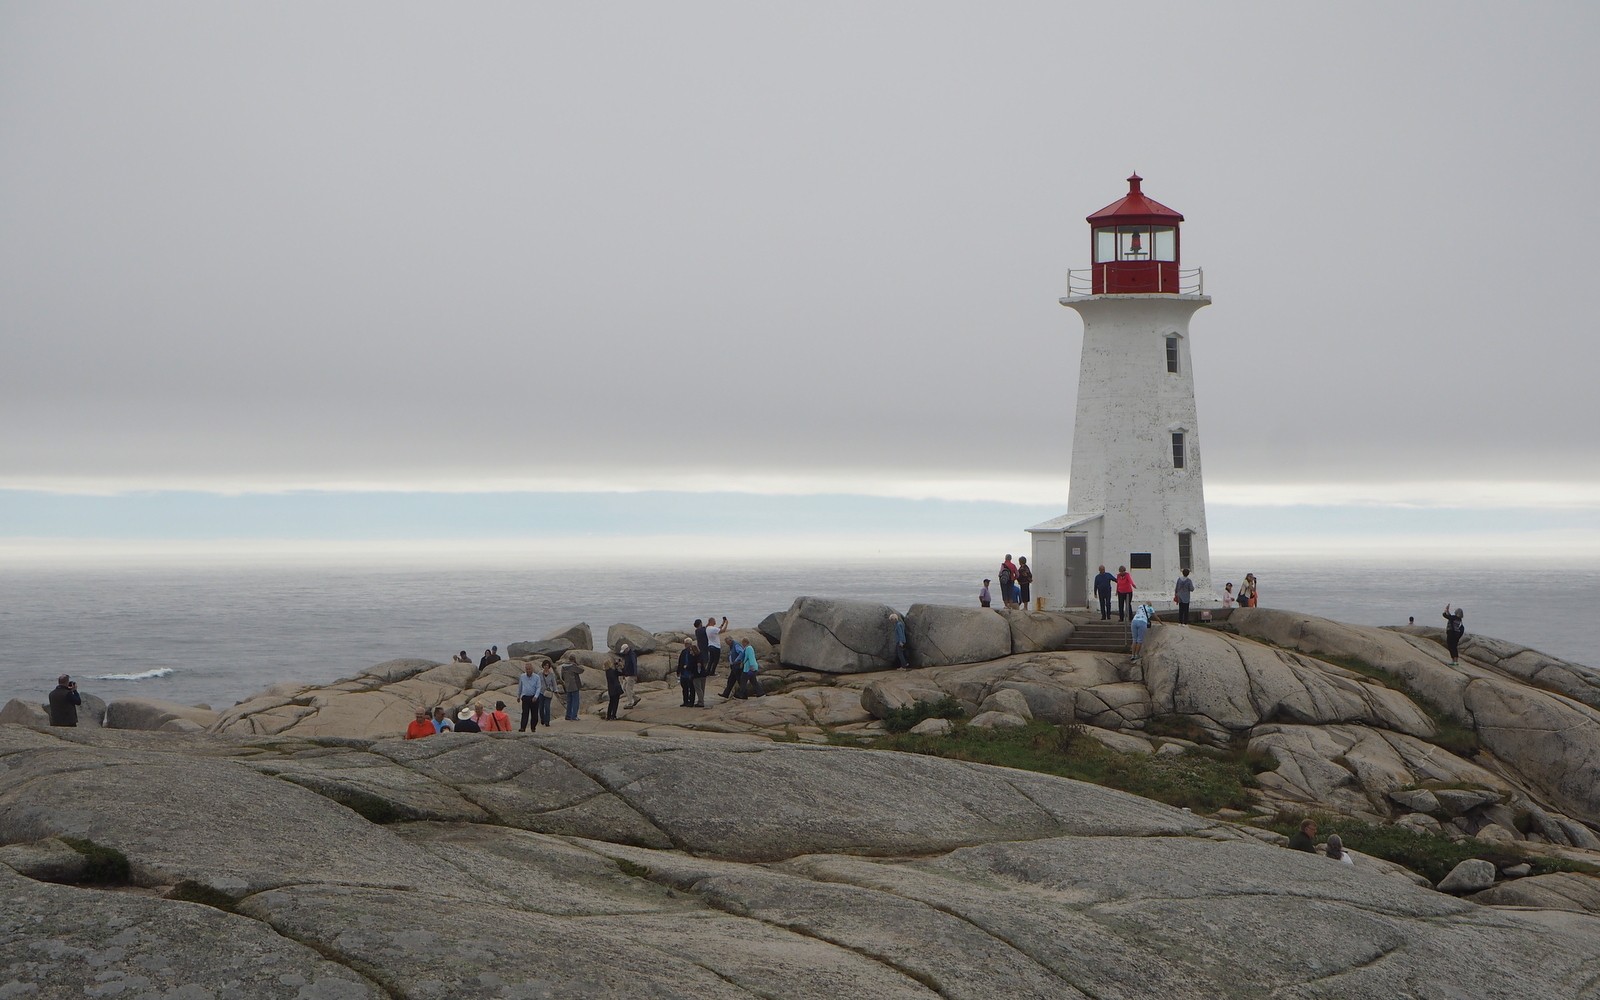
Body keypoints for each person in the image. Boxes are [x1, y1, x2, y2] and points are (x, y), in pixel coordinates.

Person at [517, 661, 544, 732]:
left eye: (529, 669)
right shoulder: (522, 676)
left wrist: (536, 696)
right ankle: (522, 727)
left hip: (534, 697)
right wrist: (518, 696)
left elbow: (539, 687)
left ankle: (533, 727)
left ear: (532, 669)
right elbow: (520, 686)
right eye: (527, 669)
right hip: (525, 697)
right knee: (525, 713)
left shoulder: (536, 677)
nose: (528, 670)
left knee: (534, 715)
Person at [677, 639, 700, 707]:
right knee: (684, 688)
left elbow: (694, 662)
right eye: (685, 643)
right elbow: (680, 661)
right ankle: (685, 701)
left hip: (690, 672)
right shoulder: (683, 652)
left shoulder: (693, 651)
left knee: (691, 688)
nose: (686, 645)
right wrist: (678, 671)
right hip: (684, 673)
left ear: (690, 644)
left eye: (687, 643)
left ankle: (691, 702)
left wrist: (689, 667)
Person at [618, 643, 640, 709]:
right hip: (628, 674)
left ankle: (630, 703)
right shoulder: (627, 655)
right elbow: (627, 665)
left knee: (628, 688)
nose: (624, 652)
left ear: (627, 649)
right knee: (624, 687)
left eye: (624, 651)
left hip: (632, 675)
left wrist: (635, 674)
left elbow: (634, 665)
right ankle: (635, 698)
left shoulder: (632, 655)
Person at [539, 662, 557, 726]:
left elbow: (554, 683)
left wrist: (555, 690)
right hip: (541, 692)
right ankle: (542, 719)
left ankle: (547, 721)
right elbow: (537, 682)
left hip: (548, 692)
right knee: (541, 707)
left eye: (547, 665)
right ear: (543, 666)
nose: (546, 666)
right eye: (545, 665)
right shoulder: (540, 673)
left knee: (547, 707)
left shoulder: (551, 674)